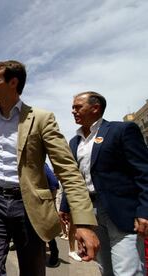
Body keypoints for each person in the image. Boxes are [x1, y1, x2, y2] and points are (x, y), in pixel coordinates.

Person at [0, 60, 99, 276]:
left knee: (32, 270)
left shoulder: (42, 119)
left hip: (30, 207)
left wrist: (83, 222)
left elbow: (67, 169)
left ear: (13, 82)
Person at [60, 91, 148, 275]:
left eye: (78, 107)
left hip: (122, 213)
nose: (73, 111)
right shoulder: (74, 142)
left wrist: (144, 210)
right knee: (104, 267)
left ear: (95, 108)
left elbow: (143, 171)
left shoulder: (121, 130)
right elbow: (73, 177)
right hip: (90, 213)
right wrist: (65, 206)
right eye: (73, 107)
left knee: (127, 270)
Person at [44, 163, 60, 268]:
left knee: (47, 230)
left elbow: (54, 183)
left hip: (41, 203)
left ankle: (54, 252)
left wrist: (51, 201)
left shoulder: (42, 165)